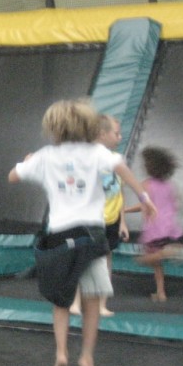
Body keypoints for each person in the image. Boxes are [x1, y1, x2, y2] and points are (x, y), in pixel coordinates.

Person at [8, 99, 156, 366]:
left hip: (60, 236)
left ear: (53, 128)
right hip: (92, 235)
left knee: (61, 301)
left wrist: (25, 164)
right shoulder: (97, 153)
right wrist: (145, 198)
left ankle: (61, 353)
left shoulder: (46, 155)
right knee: (91, 301)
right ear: (88, 126)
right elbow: (122, 168)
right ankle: (86, 356)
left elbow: (13, 176)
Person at [70, 114, 129, 317]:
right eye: (116, 133)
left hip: (111, 219)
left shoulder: (117, 161)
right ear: (102, 134)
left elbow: (120, 192)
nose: (119, 137)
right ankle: (76, 302)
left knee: (105, 260)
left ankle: (102, 304)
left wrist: (123, 222)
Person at [125, 146, 183, 302]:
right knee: (156, 264)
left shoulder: (147, 185)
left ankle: (169, 252)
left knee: (145, 259)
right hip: (169, 228)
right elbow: (175, 205)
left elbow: (144, 206)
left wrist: (125, 210)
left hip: (155, 229)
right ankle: (161, 293)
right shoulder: (169, 185)